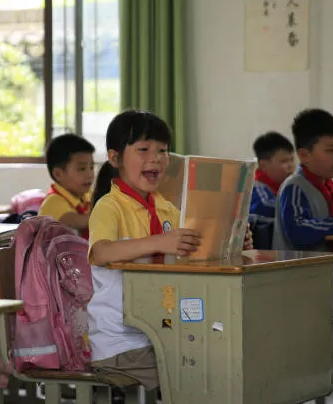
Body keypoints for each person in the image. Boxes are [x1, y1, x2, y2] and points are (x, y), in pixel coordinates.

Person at [87, 110, 250, 391]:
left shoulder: (167, 209)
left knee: (227, 357)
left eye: (163, 150)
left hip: (163, 332)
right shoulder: (109, 206)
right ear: (115, 159)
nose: (156, 158)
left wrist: (230, 240)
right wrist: (159, 242)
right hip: (122, 343)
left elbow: (191, 252)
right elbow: (99, 253)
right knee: (198, 373)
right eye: (143, 149)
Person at [273, 109, 333, 250]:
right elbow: (299, 231)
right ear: (304, 155)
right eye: (331, 150)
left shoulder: (327, 185)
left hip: (323, 267)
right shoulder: (295, 187)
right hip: (300, 270)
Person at [38, 134, 95, 238]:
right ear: (58, 174)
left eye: (91, 167)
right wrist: (106, 214)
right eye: (82, 169)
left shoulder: (88, 194)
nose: (90, 174)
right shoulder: (53, 201)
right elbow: (74, 221)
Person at [250, 131, 295, 219]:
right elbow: (267, 207)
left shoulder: (286, 187)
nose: (291, 165)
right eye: (284, 161)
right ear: (263, 165)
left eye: (292, 160)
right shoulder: (256, 188)